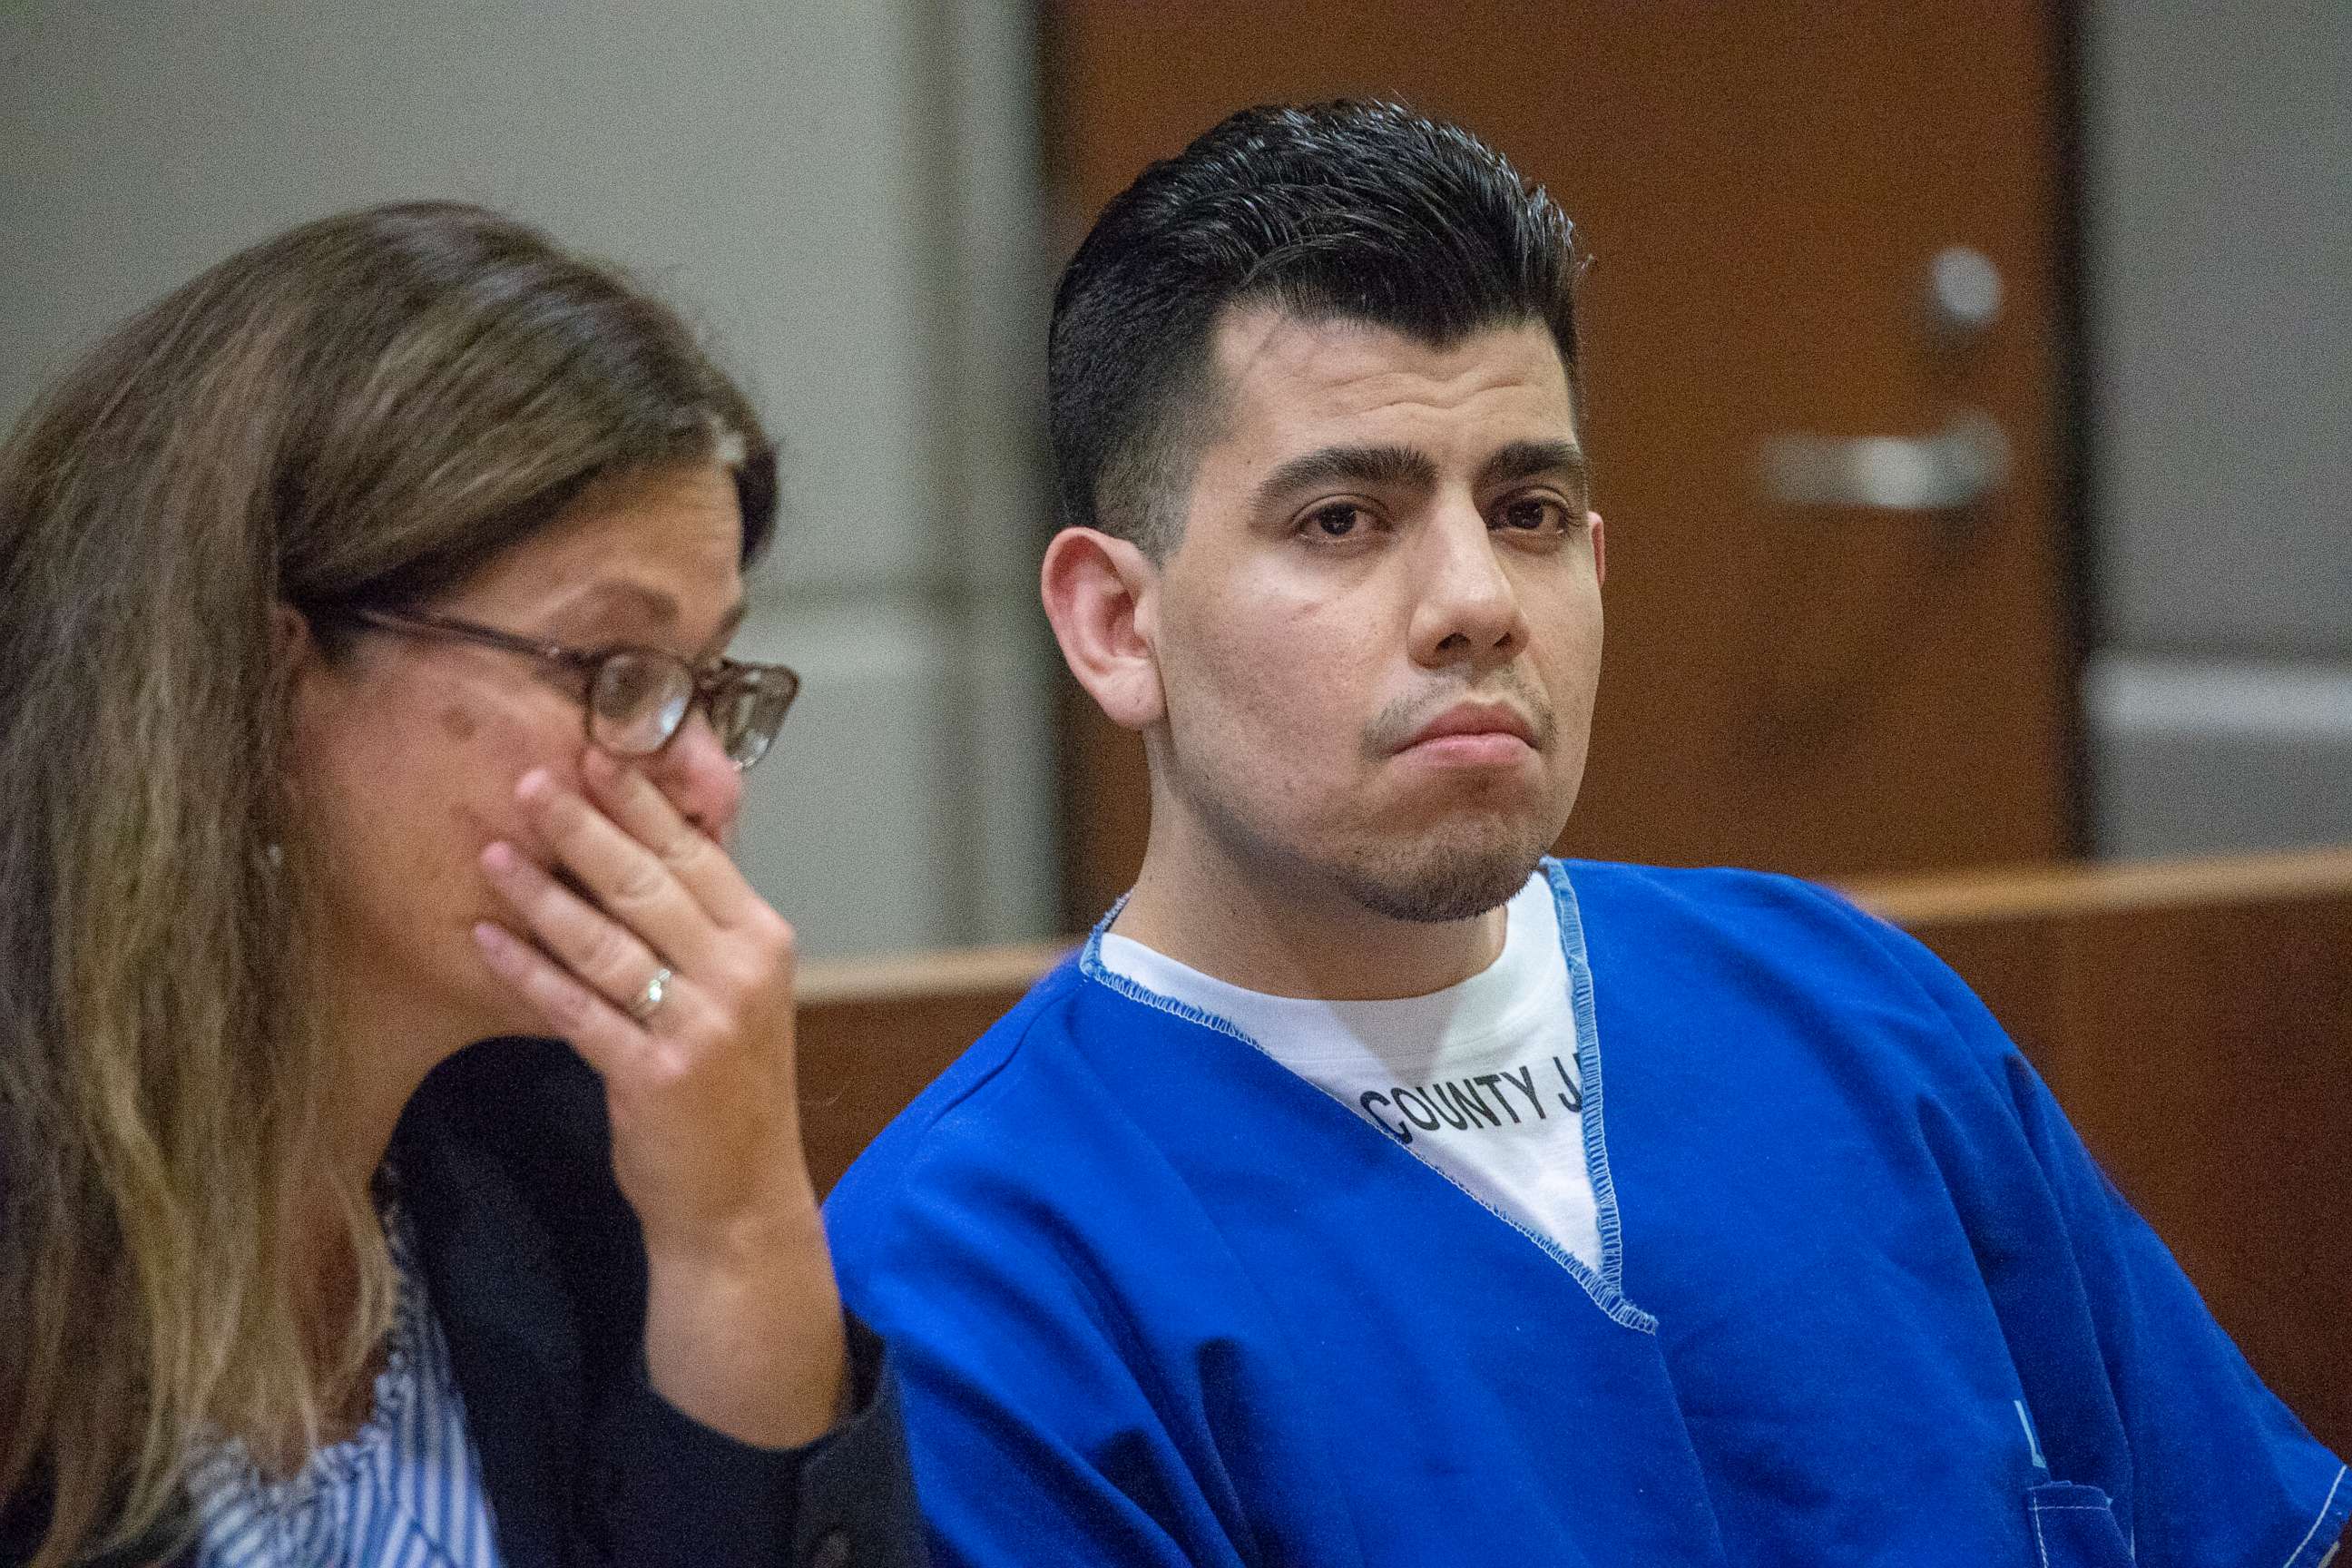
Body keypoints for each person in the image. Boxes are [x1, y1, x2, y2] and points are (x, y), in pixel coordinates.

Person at [824, 101, 2349, 1566]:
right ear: (1113, 623)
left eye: (1529, 511)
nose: (1479, 601)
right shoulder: (982, 1269)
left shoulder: (1854, 1017)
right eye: (1343, 519)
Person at [0, 203, 923, 1567]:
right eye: (613, 672)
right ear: (262, 686)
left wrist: (736, 1234)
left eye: (707, 687)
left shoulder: (559, 1168)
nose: (711, 790)